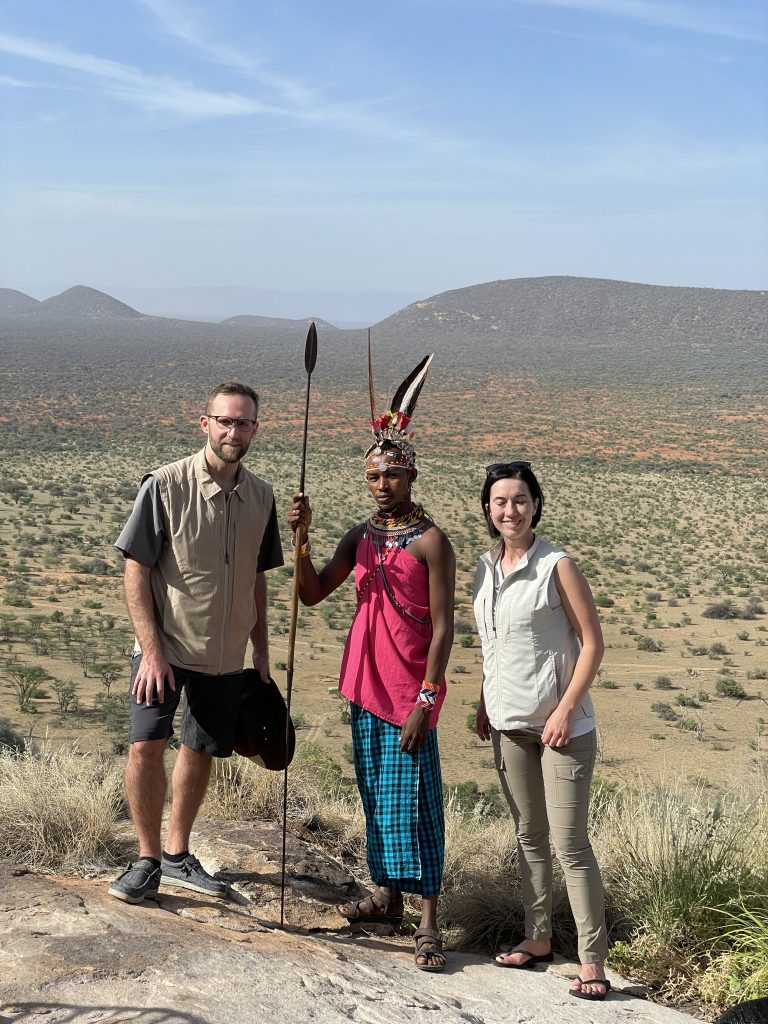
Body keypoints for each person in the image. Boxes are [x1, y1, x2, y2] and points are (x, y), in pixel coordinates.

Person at [288, 354, 455, 972]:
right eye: (373, 478)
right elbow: (310, 592)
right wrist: (302, 537)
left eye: (392, 476)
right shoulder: (360, 537)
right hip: (363, 687)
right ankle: (387, 898)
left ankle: (430, 922)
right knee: (376, 795)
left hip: (408, 693)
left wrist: (427, 700)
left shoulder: (431, 542)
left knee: (419, 802)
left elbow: (444, 628)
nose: (382, 485)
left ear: (411, 475)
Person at [108, 382, 283, 905]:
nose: (234, 431)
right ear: (204, 423)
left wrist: (261, 650)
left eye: (243, 423)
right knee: (145, 746)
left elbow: (257, 575)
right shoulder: (165, 485)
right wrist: (152, 650)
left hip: (226, 655)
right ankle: (147, 859)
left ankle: (178, 853)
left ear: (255, 429)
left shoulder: (262, 495)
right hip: (167, 646)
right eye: (225, 421)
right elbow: (135, 569)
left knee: (201, 748)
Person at [473, 461, 610, 1001]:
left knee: (570, 842)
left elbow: (593, 643)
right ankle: (538, 938)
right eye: (501, 501)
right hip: (509, 725)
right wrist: (486, 700)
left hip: (562, 728)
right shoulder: (485, 569)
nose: (511, 510)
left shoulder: (557, 566)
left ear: (536, 505)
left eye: (521, 500)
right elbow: (492, 643)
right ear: (488, 508)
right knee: (530, 837)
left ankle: (593, 960)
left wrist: (564, 709)